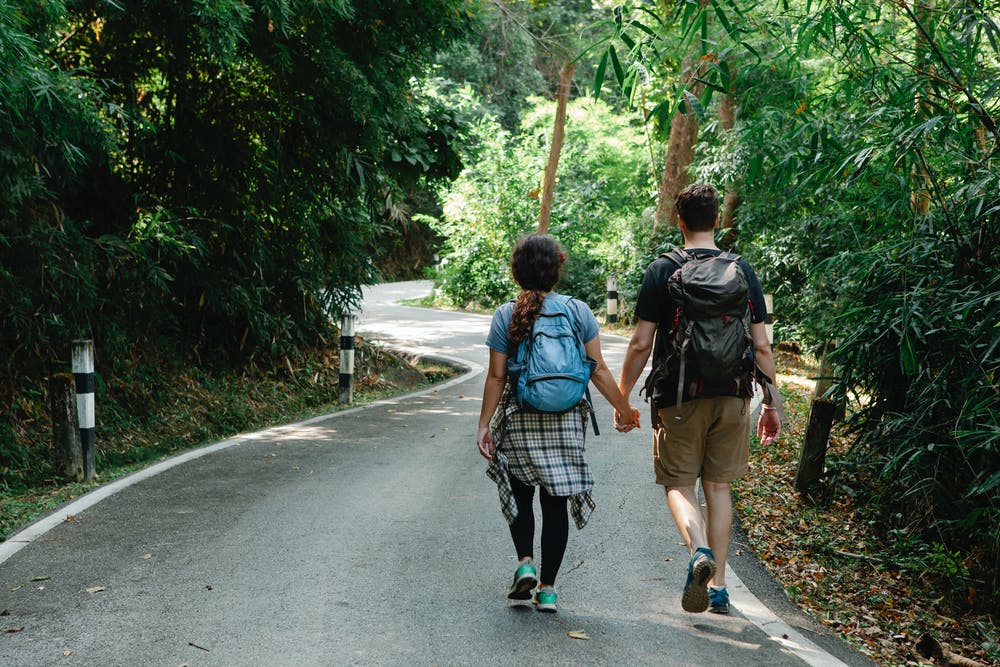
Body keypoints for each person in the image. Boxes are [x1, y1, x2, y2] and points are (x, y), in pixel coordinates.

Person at [614, 183, 782, 615]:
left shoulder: (662, 270)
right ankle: (720, 587)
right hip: (733, 394)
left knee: (678, 483)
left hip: (679, 398)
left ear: (679, 221)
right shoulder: (742, 270)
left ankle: (698, 550)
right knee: (719, 486)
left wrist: (622, 398)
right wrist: (772, 402)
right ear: (718, 221)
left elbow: (639, 344)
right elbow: (761, 346)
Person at [477, 233, 640, 614]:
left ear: (517, 271)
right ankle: (548, 590)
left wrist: (484, 424)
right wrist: (624, 408)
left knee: (521, 495)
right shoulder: (578, 311)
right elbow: (597, 371)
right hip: (567, 420)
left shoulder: (507, 314)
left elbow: (497, 377)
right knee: (555, 504)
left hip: (521, 418)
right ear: (557, 269)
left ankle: (524, 563)